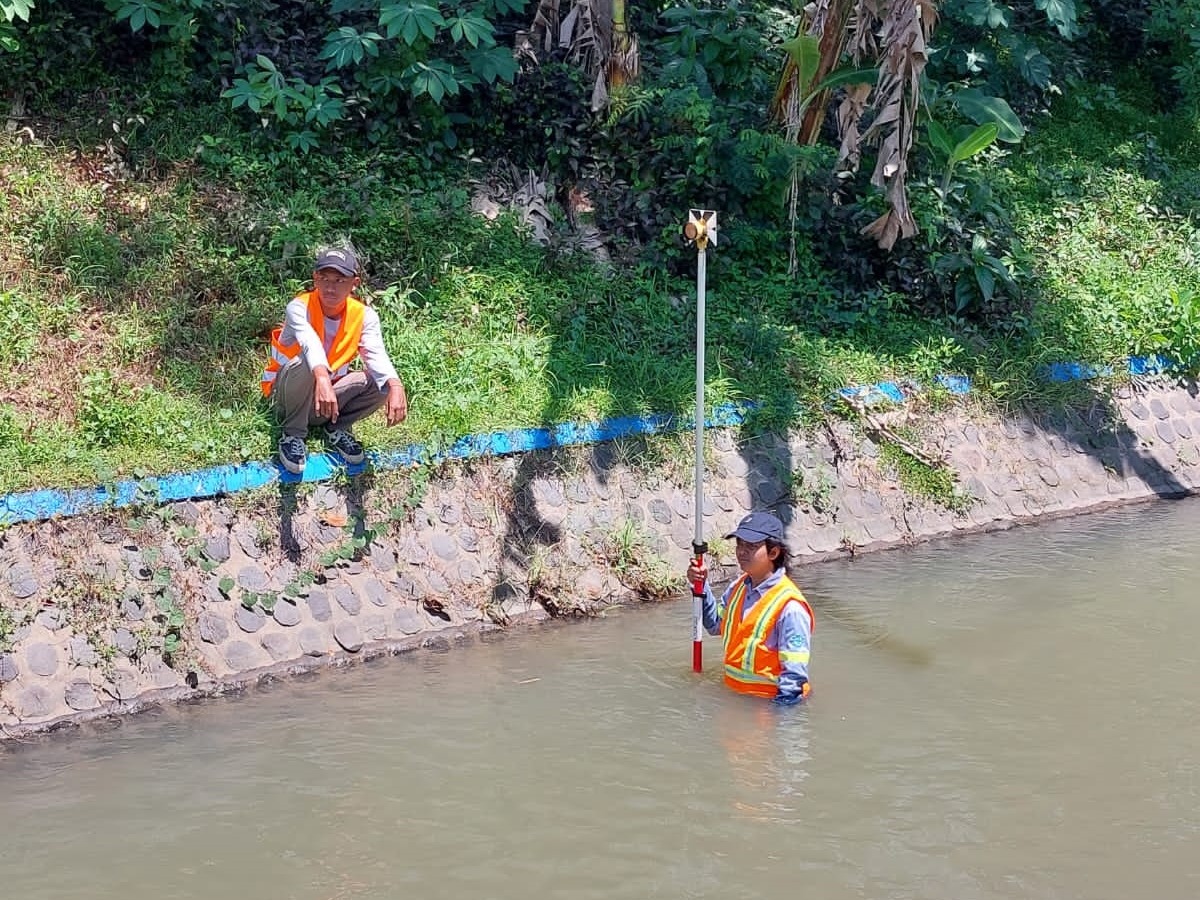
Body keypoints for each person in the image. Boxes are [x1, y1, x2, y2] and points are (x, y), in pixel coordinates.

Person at [261, 247, 408, 474]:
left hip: (325, 399)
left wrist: (395, 385)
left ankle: (336, 427)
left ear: (354, 283)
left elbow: (375, 353)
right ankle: (293, 434)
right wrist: (321, 377)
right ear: (315, 279)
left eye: (339, 280)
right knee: (306, 363)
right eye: (324, 278)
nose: (330, 287)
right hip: (285, 396)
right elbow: (309, 343)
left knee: (380, 383)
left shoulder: (364, 316)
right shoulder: (299, 307)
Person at [687, 510, 814, 706]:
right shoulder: (738, 588)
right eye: (740, 544)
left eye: (751, 546)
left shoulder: (790, 608)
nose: (741, 551)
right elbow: (715, 625)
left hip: (768, 706)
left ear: (773, 552)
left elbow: (794, 682)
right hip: (736, 700)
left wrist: (775, 724)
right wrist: (701, 586)